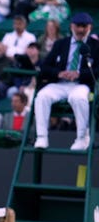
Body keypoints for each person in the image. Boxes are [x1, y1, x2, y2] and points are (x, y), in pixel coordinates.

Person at [34, 12, 99, 150]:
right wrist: (59, 73)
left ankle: (82, 138)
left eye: (84, 26)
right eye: (78, 26)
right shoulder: (60, 44)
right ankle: (42, 137)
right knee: (42, 96)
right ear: (71, 26)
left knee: (78, 98)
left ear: (90, 27)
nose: (81, 30)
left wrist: (79, 74)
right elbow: (45, 66)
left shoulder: (95, 46)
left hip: (82, 84)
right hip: (60, 84)